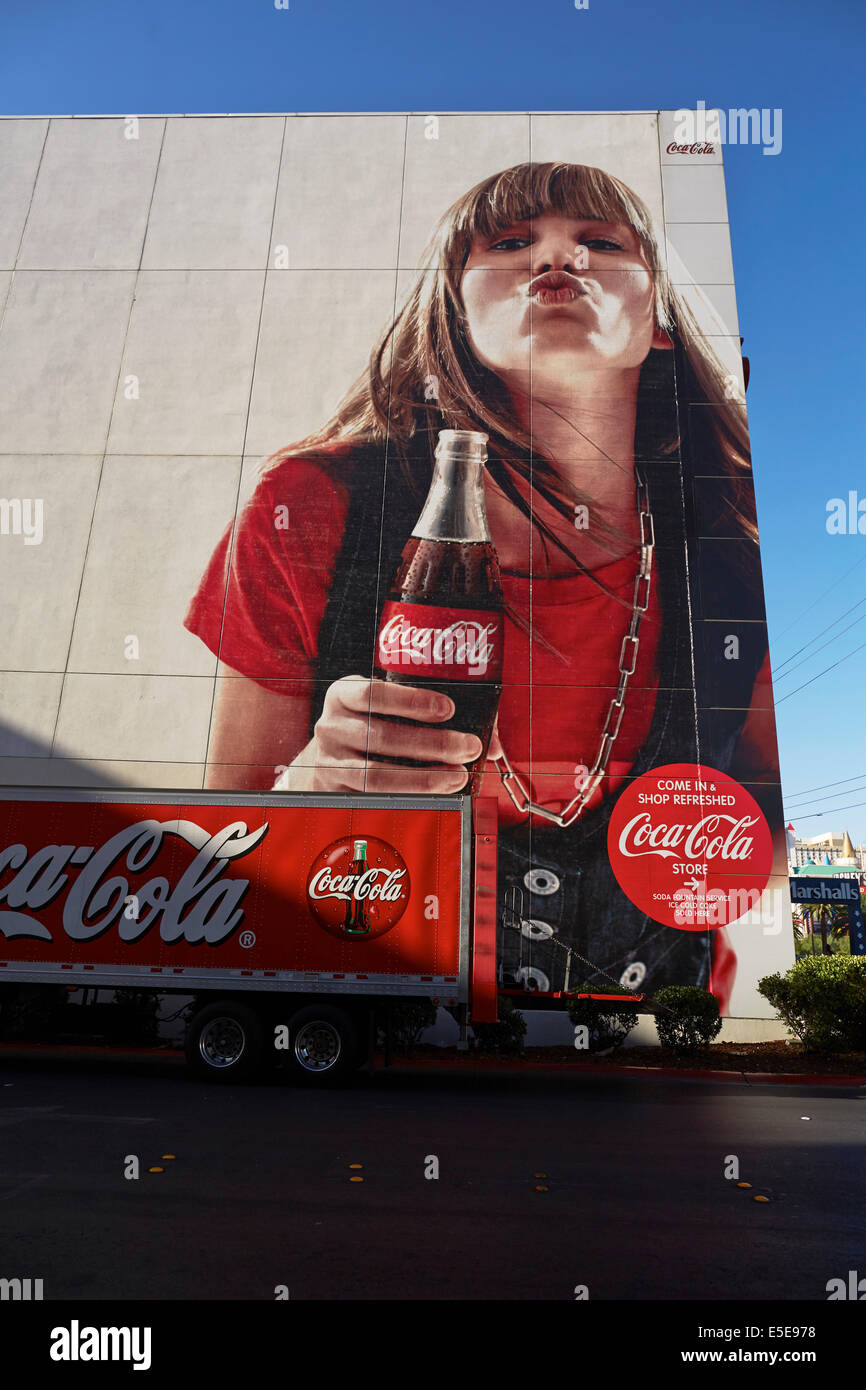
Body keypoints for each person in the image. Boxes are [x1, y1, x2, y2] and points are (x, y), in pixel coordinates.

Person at [185, 161, 784, 1008]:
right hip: (375, 1009)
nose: (557, 259)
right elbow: (228, 836)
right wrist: (309, 786)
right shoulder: (312, 505)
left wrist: (722, 854)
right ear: (455, 312)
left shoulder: (740, 532)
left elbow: (773, 806)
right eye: (511, 242)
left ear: (659, 323)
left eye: (599, 241)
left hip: (656, 1032)